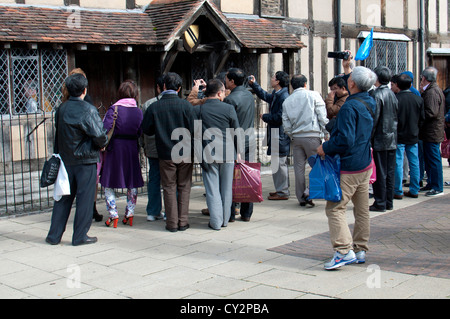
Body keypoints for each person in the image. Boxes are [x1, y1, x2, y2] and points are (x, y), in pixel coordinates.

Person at [317, 66, 377, 270]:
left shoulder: (350, 107)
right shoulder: (370, 101)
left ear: (352, 84)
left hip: (350, 165)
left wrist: (325, 147)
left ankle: (343, 250)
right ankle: (360, 248)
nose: (346, 78)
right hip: (364, 161)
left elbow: (344, 140)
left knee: (335, 207)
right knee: (362, 209)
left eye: (349, 77)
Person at [45, 73, 108, 246]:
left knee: (63, 198)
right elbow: (100, 135)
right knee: (85, 200)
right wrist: (102, 144)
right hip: (85, 160)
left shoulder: (62, 109)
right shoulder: (88, 109)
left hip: (66, 160)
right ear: (84, 90)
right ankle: (80, 235)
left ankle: (54, 235)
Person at [142, 72, 195, 232]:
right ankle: (183, 221)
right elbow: (195, 129)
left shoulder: (154, 107)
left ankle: (171, 223)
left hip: (165, 152)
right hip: (185, 152)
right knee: (184, 186)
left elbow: (147, 130)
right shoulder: (186, 106)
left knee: (169, 186)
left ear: (163, 87)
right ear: (179, 89)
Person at [197, 79, 240, 230]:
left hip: (208, 153)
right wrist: (238, 152)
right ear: (220, 92)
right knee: (227, 188)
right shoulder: (228, 109)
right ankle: (225, 221)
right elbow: (236, 131)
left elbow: (196, 135)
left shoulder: (199, 110)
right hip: (228, 152)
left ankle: (215, 222)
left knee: (212, 188)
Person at [100, 80, 144, 228]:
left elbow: (105, 129)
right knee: (132, 183)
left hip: (115, 149)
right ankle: (129, 213)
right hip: (131, 148)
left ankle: (113, 215)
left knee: (108, 183)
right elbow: (140, 132)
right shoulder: (138, 111)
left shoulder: (114, 109)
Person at [62, 67, 103, 222]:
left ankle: (57, 230)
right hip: (85, 153)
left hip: (67, 153)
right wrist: (101, 143)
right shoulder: (87, 106)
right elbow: (97, 132)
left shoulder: (63, 106)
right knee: (86, 192)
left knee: (67, 193)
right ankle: (83, 226)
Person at [282, 74, 328, 207]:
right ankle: (310, 191)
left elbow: (285, 123)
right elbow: (322, 116)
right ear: (305, 84)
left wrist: (291, 134)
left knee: (298, 168)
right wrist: (326, 132)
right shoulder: (313, 95)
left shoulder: (287, 101)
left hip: (296, 137)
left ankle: (301, 197)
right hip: (312, 134)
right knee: (319, 165)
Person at [249, 71, 291, 200]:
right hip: (275, 132)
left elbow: (280, 117)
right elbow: (265, 96)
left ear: (278, 81)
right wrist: (254, 84)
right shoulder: (277, 94)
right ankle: (280, 189)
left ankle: (283, 191)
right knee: (276, 163)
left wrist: (265, 117)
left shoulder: (283, 96)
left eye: (273, 77)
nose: (271, 79)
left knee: (280, 163)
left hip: (279, 133)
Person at [224, 68, 256, 222]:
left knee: (231, 177)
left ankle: (230, 212)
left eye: (226, 79)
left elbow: (230, 125)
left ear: (231, 81)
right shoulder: (249, 95)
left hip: (236, 141)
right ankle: (246, 213)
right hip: (249, 138)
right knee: (247, 176)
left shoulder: (231, 99)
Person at [369, 66, 398, 212]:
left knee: (380, 172)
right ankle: (388, 201)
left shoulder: (377, 94)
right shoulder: (392, 94)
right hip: (392, 137)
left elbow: (374, 119)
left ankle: (380, 202)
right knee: (389, 172)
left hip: (381, 138)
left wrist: (370, 137)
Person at [394, 74, 425, 199]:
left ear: (398, 85)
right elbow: (422, 119)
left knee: (398, 162)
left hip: (399, 134)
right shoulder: (418, 99)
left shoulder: (396, 99)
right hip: (413, 134)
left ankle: (398, 190)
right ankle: (414, 189)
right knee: (414, 162)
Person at [419, 66, 445, 196]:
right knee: (430, 159)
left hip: (432, 132)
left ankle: (437, 186)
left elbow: (431, 112)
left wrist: (420, 115)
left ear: (424, 78)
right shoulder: (432, 90)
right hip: (430, 132)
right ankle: (431, 183)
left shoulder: (432, 92)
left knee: (434, 159)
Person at [141, 76, 165, 222]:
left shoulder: (148, 104)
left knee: (154, 178)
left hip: (153, 146)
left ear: (158, 87)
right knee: (171, 181)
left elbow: (143, 129)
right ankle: (170, 211)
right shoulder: (180, 103)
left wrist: (143, 145)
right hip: (171, 149)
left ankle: (153, 211)